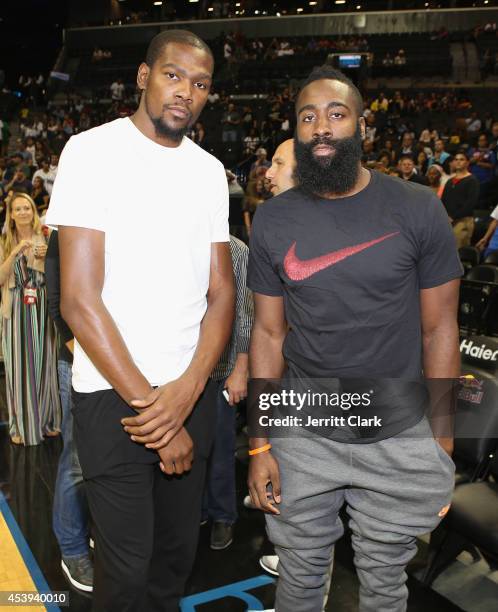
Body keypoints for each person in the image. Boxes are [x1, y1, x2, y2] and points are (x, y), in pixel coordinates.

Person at [247, 65, 460, 612]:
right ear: (296, 130)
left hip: (397, 427)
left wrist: (442, 442)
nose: (321, 126)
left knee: (385, 581)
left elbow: (440, 328)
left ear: (362, 127)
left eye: (336, 114)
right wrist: (259, 443)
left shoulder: (418, 207)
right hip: (304, 427)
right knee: (298, 572)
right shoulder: (271, 220)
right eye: (307, 116)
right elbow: (268, 334)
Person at [46, 29, 235, 611]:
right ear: (143, 76)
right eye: (174, 75)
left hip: (191, 395)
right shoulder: (90, 151)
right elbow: (78, 299)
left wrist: (187, 392)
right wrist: (158, 409)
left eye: (200, 84)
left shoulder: (209, 170)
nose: (186, 92)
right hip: (113, 397)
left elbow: (223, 292)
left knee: (174, 563)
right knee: (126, 575)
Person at [46, 230, 93, 592]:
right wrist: (84, 355)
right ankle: (72, 547)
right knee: (76, 460)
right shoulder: (65, 228)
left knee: (106, 457)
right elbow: (57, 299)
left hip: (124, 363)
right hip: (79, 360)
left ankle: (88, 531)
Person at [203, 235, 253, 550]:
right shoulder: (178, 236)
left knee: (220, 448)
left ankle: (222, 515)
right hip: (182, 369)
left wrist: (240, 369)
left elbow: (247, 315)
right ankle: (197, 509)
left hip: (222, 369)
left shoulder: (236, 250)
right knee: (189, 449)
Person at [0, 193, 60, 446]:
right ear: (11, 215)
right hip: (15, 311)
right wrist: (14, 252)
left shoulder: (46, 237)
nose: (23, 212)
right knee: (18, 369)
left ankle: (46, 421)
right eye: (18, 209)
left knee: (45, 365)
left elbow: (58, 276)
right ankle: (20, 425)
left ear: (34, 211)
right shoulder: (4, 241)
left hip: (42, 308)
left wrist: (49, 257)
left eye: (27, 208)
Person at [441, 151, 480, 248]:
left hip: (463, 221)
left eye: (461, 159)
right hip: (447, 221)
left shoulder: (472, 180)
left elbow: (470, 203)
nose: (458, 162)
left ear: (467, 163)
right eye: (456, 159)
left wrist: (453, 217)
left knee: (457, 253)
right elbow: (443, 201)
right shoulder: (450, 181)